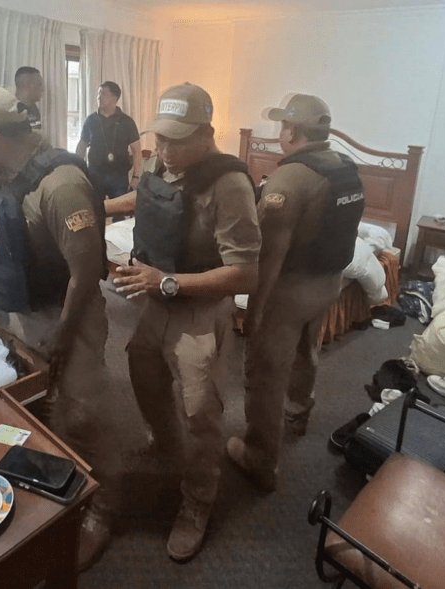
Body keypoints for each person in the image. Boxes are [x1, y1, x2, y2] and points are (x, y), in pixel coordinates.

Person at [0, 86, 115, 571]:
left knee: (85, 416)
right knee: (39, 405)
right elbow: (10, 233)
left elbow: (86, 273)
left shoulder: (61, 186)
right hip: (23, 308)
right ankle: (54, 486)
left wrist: (62, 336)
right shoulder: (8, 174)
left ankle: (101, 509)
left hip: (67, 314)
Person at [112, 83, 261, 562]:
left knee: (200, 413)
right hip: (155, 300)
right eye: (160, 138)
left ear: (207, 133)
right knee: (143, 373)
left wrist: (168, 283)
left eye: (177, 140)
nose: (165, 150)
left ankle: (198, 500)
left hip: (199, 308)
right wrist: (101, 207)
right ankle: (165, 443)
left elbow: (246, 274)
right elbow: (146, 199)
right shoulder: (160, 163)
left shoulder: (229, 184)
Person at [227, 94, 365, 492]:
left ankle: (259, 458)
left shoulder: (289, 178)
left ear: (291, 130)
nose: (280, 132)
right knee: (306, 350)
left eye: (282, 126)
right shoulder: (344, 167)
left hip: (290, 290)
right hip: (329, 282)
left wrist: (254, 310)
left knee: (265, 372)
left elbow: (269, 257)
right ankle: (297, 414)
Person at [76, 81, 141, 198]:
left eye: (104, 94)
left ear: (114, 98)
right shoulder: (91, 120)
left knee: (119, 208)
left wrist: (136, 177)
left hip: (119, 177)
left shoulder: (127, 122)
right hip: (95, 176)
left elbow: (137, 151)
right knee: (95, 208)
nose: (99, 97)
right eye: (98, 93)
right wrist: (77, 170)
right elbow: (82, 146)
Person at [14, 66, 43, 131]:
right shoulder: (12, 111)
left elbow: (35, 132)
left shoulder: (33, 109)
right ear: (27, 85)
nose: (42, 89)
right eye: (39, 85)